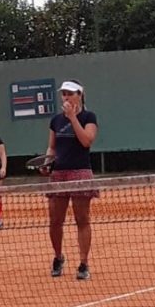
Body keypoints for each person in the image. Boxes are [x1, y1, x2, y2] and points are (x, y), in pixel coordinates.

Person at [40, 80, 99, 280]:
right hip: (58, 174)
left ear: (79, 95)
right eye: (64, 93)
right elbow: (52, 147)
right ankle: (58, 257)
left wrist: (73, 118)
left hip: (81, 172)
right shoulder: (55, 121)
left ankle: (83, 263)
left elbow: (86, 141)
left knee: (82, 219)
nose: (66, 97)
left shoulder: (89, 117)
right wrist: (47, 163)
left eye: (70, 93)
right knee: (55, 221)